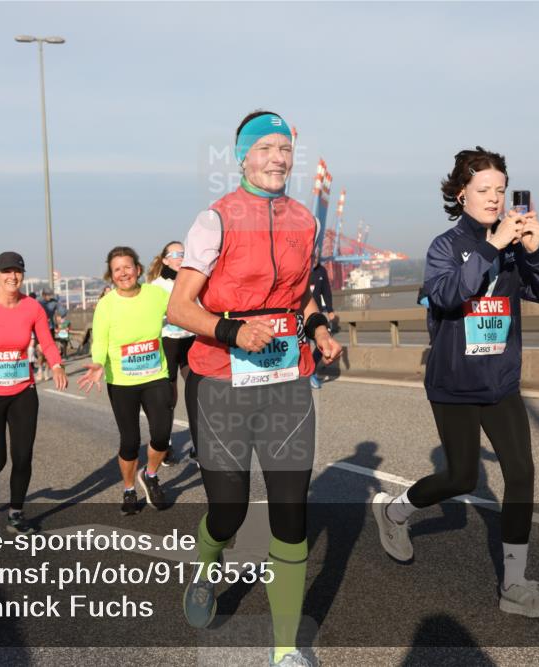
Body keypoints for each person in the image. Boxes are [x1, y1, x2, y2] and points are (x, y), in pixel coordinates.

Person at [167, 111, 341, 667]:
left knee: (292, 512)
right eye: (266, 147)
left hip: (288, 379)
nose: (278, 157)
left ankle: (286, 650)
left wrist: (318, 329)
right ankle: (206, 566)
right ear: (242, 156)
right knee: (230, 510)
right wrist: (232, 329)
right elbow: (179, 305)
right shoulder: (214, 219)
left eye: (286, 148)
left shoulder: (304, 220)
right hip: (221, 381)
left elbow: (301, 295)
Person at [370, 146, 539, 618]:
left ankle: (514, 585)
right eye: (484, 190)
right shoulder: (444, 246)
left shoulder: (517, 245)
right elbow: (449, 294)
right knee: (462, 476)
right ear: (462, 194)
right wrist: (492, 247)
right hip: (454, 382)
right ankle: (395, 511)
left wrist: (533, 251)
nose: (495, 198)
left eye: (501, 189)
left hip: (499, 381)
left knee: (521, 473)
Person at [0, 252, 68, 535]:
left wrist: (56, 365)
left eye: (17, 271)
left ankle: (16, 513)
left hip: (22, 392)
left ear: (22, 274)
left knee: (23, 456)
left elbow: (47, 341)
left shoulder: (32, 307)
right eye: (6, 271)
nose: (12, 276)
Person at [78, 246, 174, 516]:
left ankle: (151, 475)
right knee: (130, 440)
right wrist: (98, 363)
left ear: (138, 269)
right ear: (111, 275)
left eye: (128, 267)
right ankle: (130, 488)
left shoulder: (156, 295)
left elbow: (183, 311)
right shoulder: (107, 304)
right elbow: (101, 341)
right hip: (122, 381)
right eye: (117, 269)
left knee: (162, 435)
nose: (123, 273)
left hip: (155, 375)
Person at [147, 240, 195, 466]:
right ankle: (164, 444)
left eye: (183, 253)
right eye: (175, 253)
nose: (181, 256)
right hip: (167, 341)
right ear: (165, 259)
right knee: (169, 396)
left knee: (198, 388)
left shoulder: (192, 280)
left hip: (190, 339)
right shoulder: (156, 285)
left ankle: (199, 444)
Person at [308, 254, 336, 389]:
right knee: (302, 346)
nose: (314, 260)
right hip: (299, 315)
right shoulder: (301, 269)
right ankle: (303, 374)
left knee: (322, 345)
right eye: (312, 257)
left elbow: (326, 291)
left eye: (316, 257)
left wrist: (330, 310)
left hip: (317, 316)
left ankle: (311, 372)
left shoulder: (321, 271)